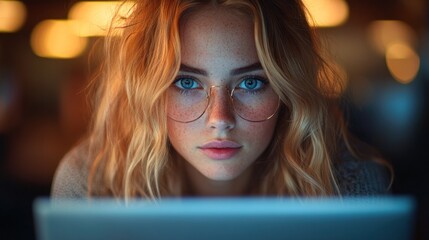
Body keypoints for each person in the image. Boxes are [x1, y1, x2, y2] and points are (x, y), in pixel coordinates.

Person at [52, 0, 391, 199]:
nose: (220, 118)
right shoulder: (93, 187)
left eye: (251, 82)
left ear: (288, 91)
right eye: (186, 82)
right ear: (147, 91)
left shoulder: (346, 188)